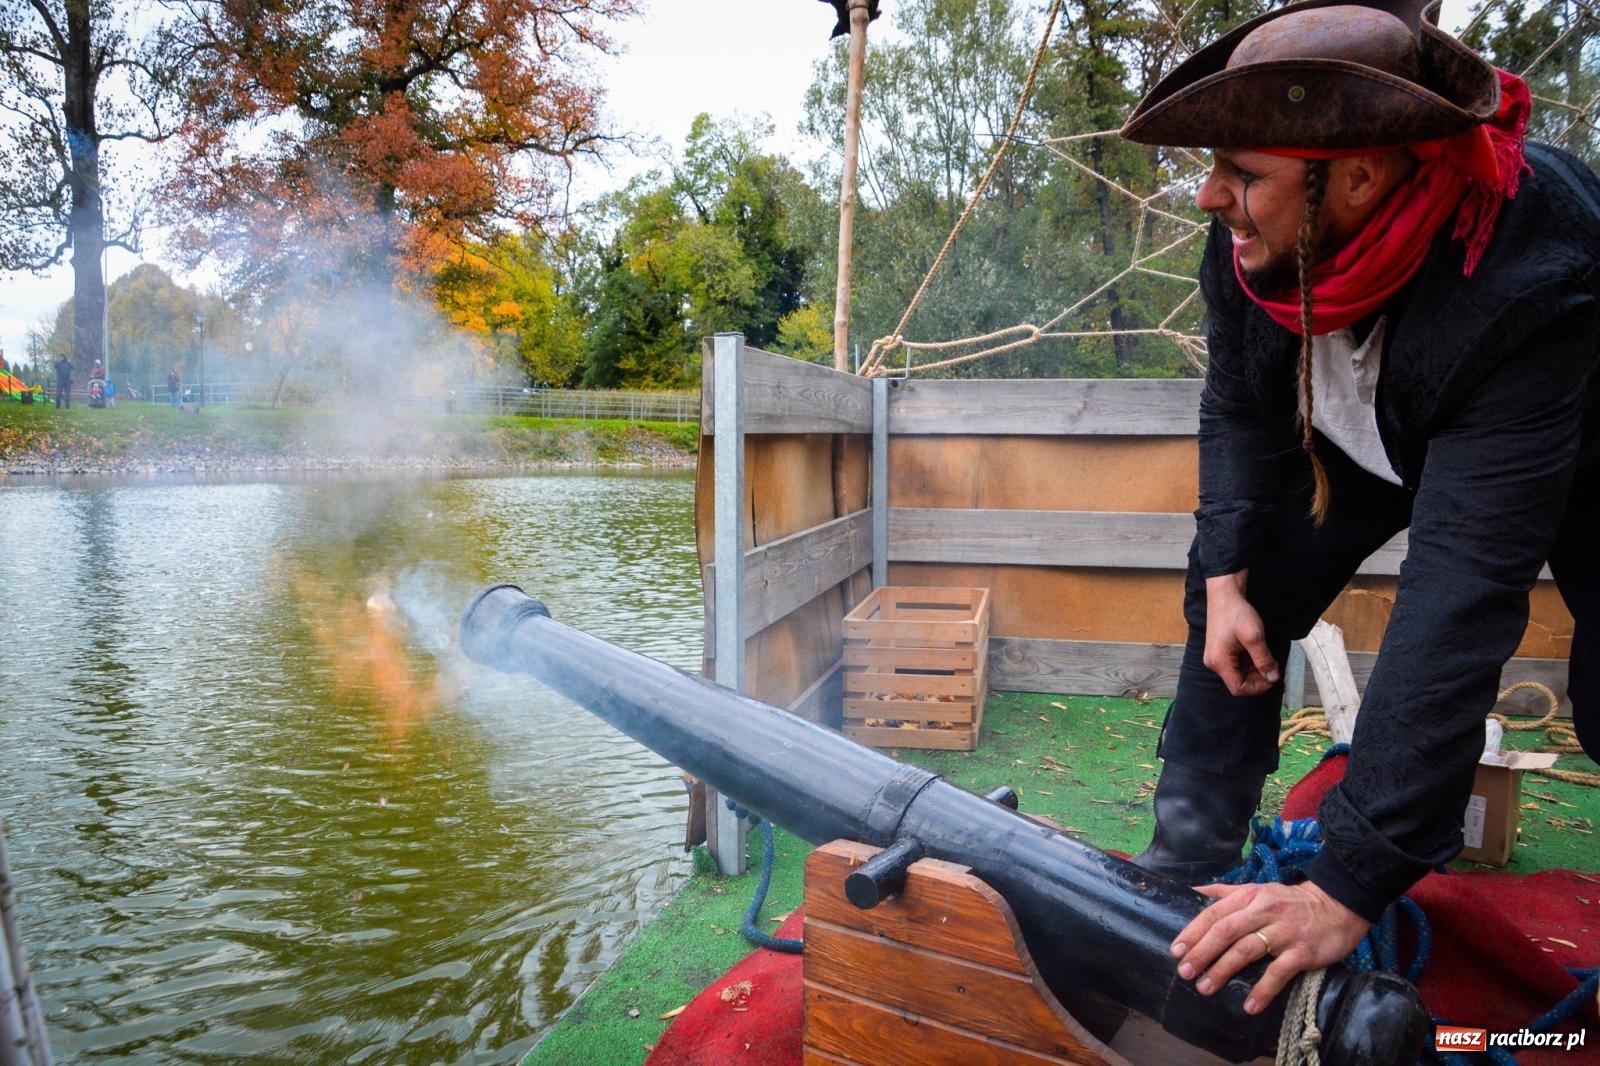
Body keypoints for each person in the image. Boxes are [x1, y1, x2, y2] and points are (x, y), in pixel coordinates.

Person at [1118, 0, 1600, 1015]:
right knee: (1238, 584)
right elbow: (1240, 408)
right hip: (1377, 435)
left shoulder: (1525, 277)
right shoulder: (1248, 239)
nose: (1211, 196)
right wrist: (1222, 569)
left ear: (1361, 177)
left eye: (1242, 174)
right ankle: (1179, 865)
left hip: (1569, 438)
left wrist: (1347, 879)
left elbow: (1459, 591)